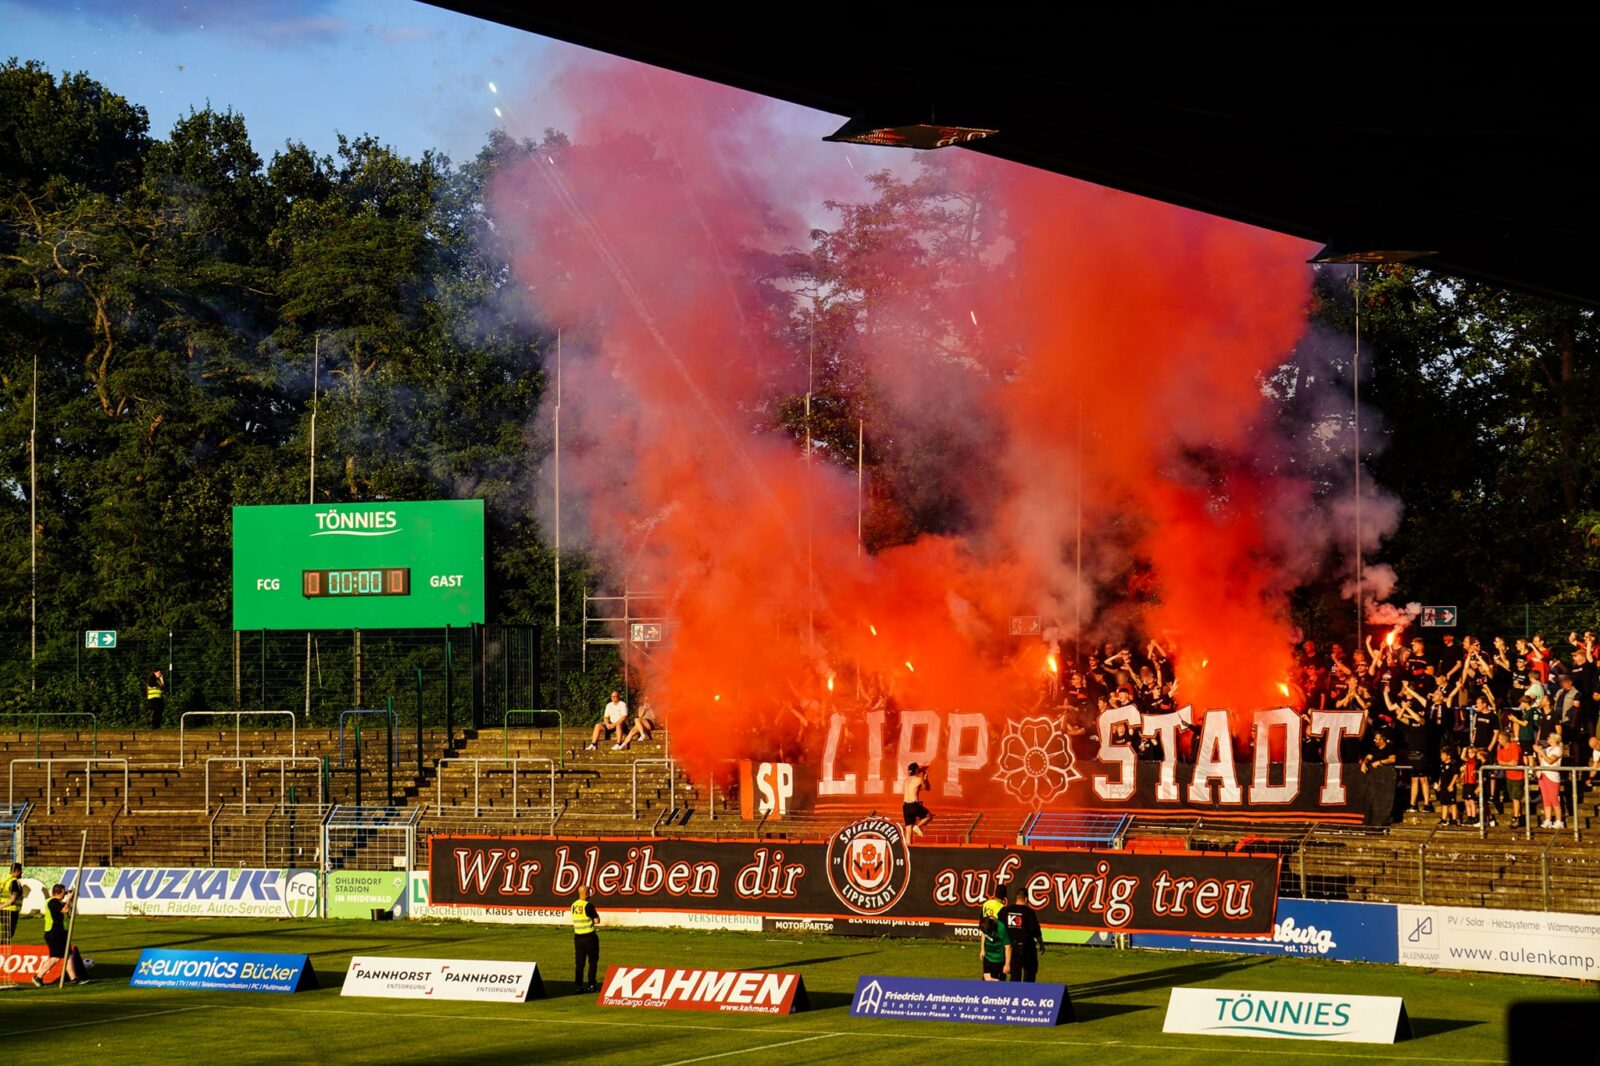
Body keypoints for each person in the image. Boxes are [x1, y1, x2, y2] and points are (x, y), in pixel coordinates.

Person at [32, 884, 87, 986]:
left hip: (61, 933)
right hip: (54, 933)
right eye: (64, 892)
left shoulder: (59, 902)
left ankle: (74, 978)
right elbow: (64, 910)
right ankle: (38, 976)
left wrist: (71, 900)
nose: (65, 894)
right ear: (59, 892)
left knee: (69, 955)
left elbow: (71, 913)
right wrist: (69, 899)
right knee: (55, 958)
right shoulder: (52, 902)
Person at [997, 882, 1044, 982]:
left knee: (1015, 975)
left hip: (1012, 948)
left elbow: (1000, 927)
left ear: (1016, 898)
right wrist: (1041, 944)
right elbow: (1035, 930)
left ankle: (1015, 995)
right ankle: (1027, 994)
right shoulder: (1029, 912)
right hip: (1027, 947)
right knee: (1029, 973)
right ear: (1026, 899)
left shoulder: (1007, 911)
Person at [570, 882, 601, 993]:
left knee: (579, 963)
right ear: (587, 893)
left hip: (578, 937)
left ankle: (578, 986)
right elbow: (597, 920)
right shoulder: (588, 905)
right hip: (589, 937)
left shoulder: (573, 905)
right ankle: (591, 984)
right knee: (592, 962)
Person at [900, 762, 933, 839]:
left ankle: (908, 847)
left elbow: (915, 789)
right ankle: (917, 826)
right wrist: (925, 779)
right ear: (916, 770)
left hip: (905, 806)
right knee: (928, 816)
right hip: (914, 805)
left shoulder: (905, 781)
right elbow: (926, 788)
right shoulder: (919, 779)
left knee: (908, 829)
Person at [979, 905, 1012, 982]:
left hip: (997, 959)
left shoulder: (1001, 929)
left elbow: (1008, 947)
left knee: (995, 981)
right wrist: (982, 949)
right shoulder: (985, 923)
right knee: (986, 978)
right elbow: (984, 934)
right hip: (987, 957)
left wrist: (1007, 964)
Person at [1, 862, 24, 946]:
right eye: (21, 871)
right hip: (10, 910)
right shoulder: (15, 882)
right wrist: (2, 906)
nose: (22, 873)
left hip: (3, 911)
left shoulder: (3, 881)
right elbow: (13, 898)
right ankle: (3, 953)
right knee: (8, 934)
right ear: (17, 871)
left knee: (4, 933)